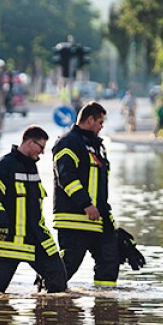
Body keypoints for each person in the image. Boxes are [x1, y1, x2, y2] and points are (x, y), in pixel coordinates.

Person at [0, 125, 67, 294]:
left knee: (58, 279)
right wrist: (0, 220)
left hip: (35, 237)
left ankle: (45, 315)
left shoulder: (31, 166)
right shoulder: (4, 165)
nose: (42, 153)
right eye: (41, 147)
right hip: (10, 239)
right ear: (29, 143)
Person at [52, 101, 120, 287]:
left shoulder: (95, 146)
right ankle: (47, 296)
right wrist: (86, 204)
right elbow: (66, 177)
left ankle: (104, 305)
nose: (101, 127)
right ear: (89, 120)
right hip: (73, 217)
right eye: (100, 123)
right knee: (70, 262)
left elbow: (100, 187)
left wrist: (109, 221)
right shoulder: (68, 143)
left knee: (110, 259)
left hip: (97, 218)